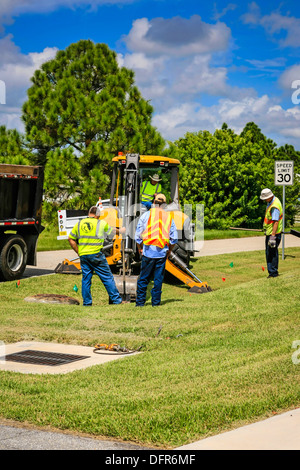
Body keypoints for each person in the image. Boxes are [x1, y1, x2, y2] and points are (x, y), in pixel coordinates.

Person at [68, 206, 127, 305]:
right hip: (96, 255)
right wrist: (121, 231)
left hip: (83, 256)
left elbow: (70, 239)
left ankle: (87, 303)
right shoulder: (100, 223)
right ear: (98, 215)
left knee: (86, 280)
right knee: (107, 277)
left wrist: (78, 251)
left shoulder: (79, 224)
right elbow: (112, 230)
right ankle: (117, 300)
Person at [135, 193, 178, 307]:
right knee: (158, 280)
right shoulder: (168, 218)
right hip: (161, 254)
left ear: (153, 203)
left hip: (148, 253)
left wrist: (140, 249)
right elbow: (174, 239)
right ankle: (156, 303)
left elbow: (138, 236)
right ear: (164, 205)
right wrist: (169, 250)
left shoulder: (146, 216)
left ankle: (140, 303)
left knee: (144, 278)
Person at [260, 188, 283, 278]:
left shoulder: (274, 206)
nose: (265, 200)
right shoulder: (274, 201)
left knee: (271, 253)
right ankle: (273, 272)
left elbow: (276, 222)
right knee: (271, 252)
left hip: (273, 234)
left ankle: (273, 273)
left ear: (269, 197)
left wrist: (272, 236)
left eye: (265, 198)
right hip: (271, 233)